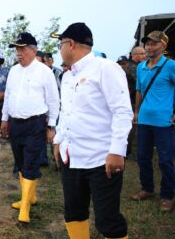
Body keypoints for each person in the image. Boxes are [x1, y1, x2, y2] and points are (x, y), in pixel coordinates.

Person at [52, 22, 132, 238]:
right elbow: (65, 111)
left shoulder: (105, 68)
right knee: (74, 212)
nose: (59, 49)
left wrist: (117, 150)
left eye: (60, 45)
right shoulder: (67, 76)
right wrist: (58, 140)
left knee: (108, 220)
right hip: (72, 157)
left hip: (101, 159)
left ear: (71, 45)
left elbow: (122, 111)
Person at [1, 32, 59, 223]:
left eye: (23, 48)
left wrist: (51, 126)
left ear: (34, 50)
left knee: (30, 163)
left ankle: (24, 207)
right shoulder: (13, 71)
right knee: (20, 161)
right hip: (16, 124)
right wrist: (4, 119)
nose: (19, 53)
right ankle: (29, 197)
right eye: (17, 49)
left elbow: (53, 100)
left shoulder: (44, 71)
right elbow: (8, 97)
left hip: (35, 123)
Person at [131, 31, 175, 213]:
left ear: (163, 46)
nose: (149, 47)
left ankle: (168, 196)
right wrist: (136, 111)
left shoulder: (171, 65)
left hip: (164, 121)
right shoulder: (141, 67)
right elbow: (139, 90)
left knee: (165, 160)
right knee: (143, 157)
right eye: (147, 44)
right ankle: (147, 188)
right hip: (144, 120)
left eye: (153, 44)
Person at [125, 46, 147, 159]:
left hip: (133, 100)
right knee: (131, 127)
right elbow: (142, 82)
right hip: (132, 101)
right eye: (142, 54)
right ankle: (127, 152)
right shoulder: (133, 67)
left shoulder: (135, 66)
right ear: (135, 55)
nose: (145, 56)